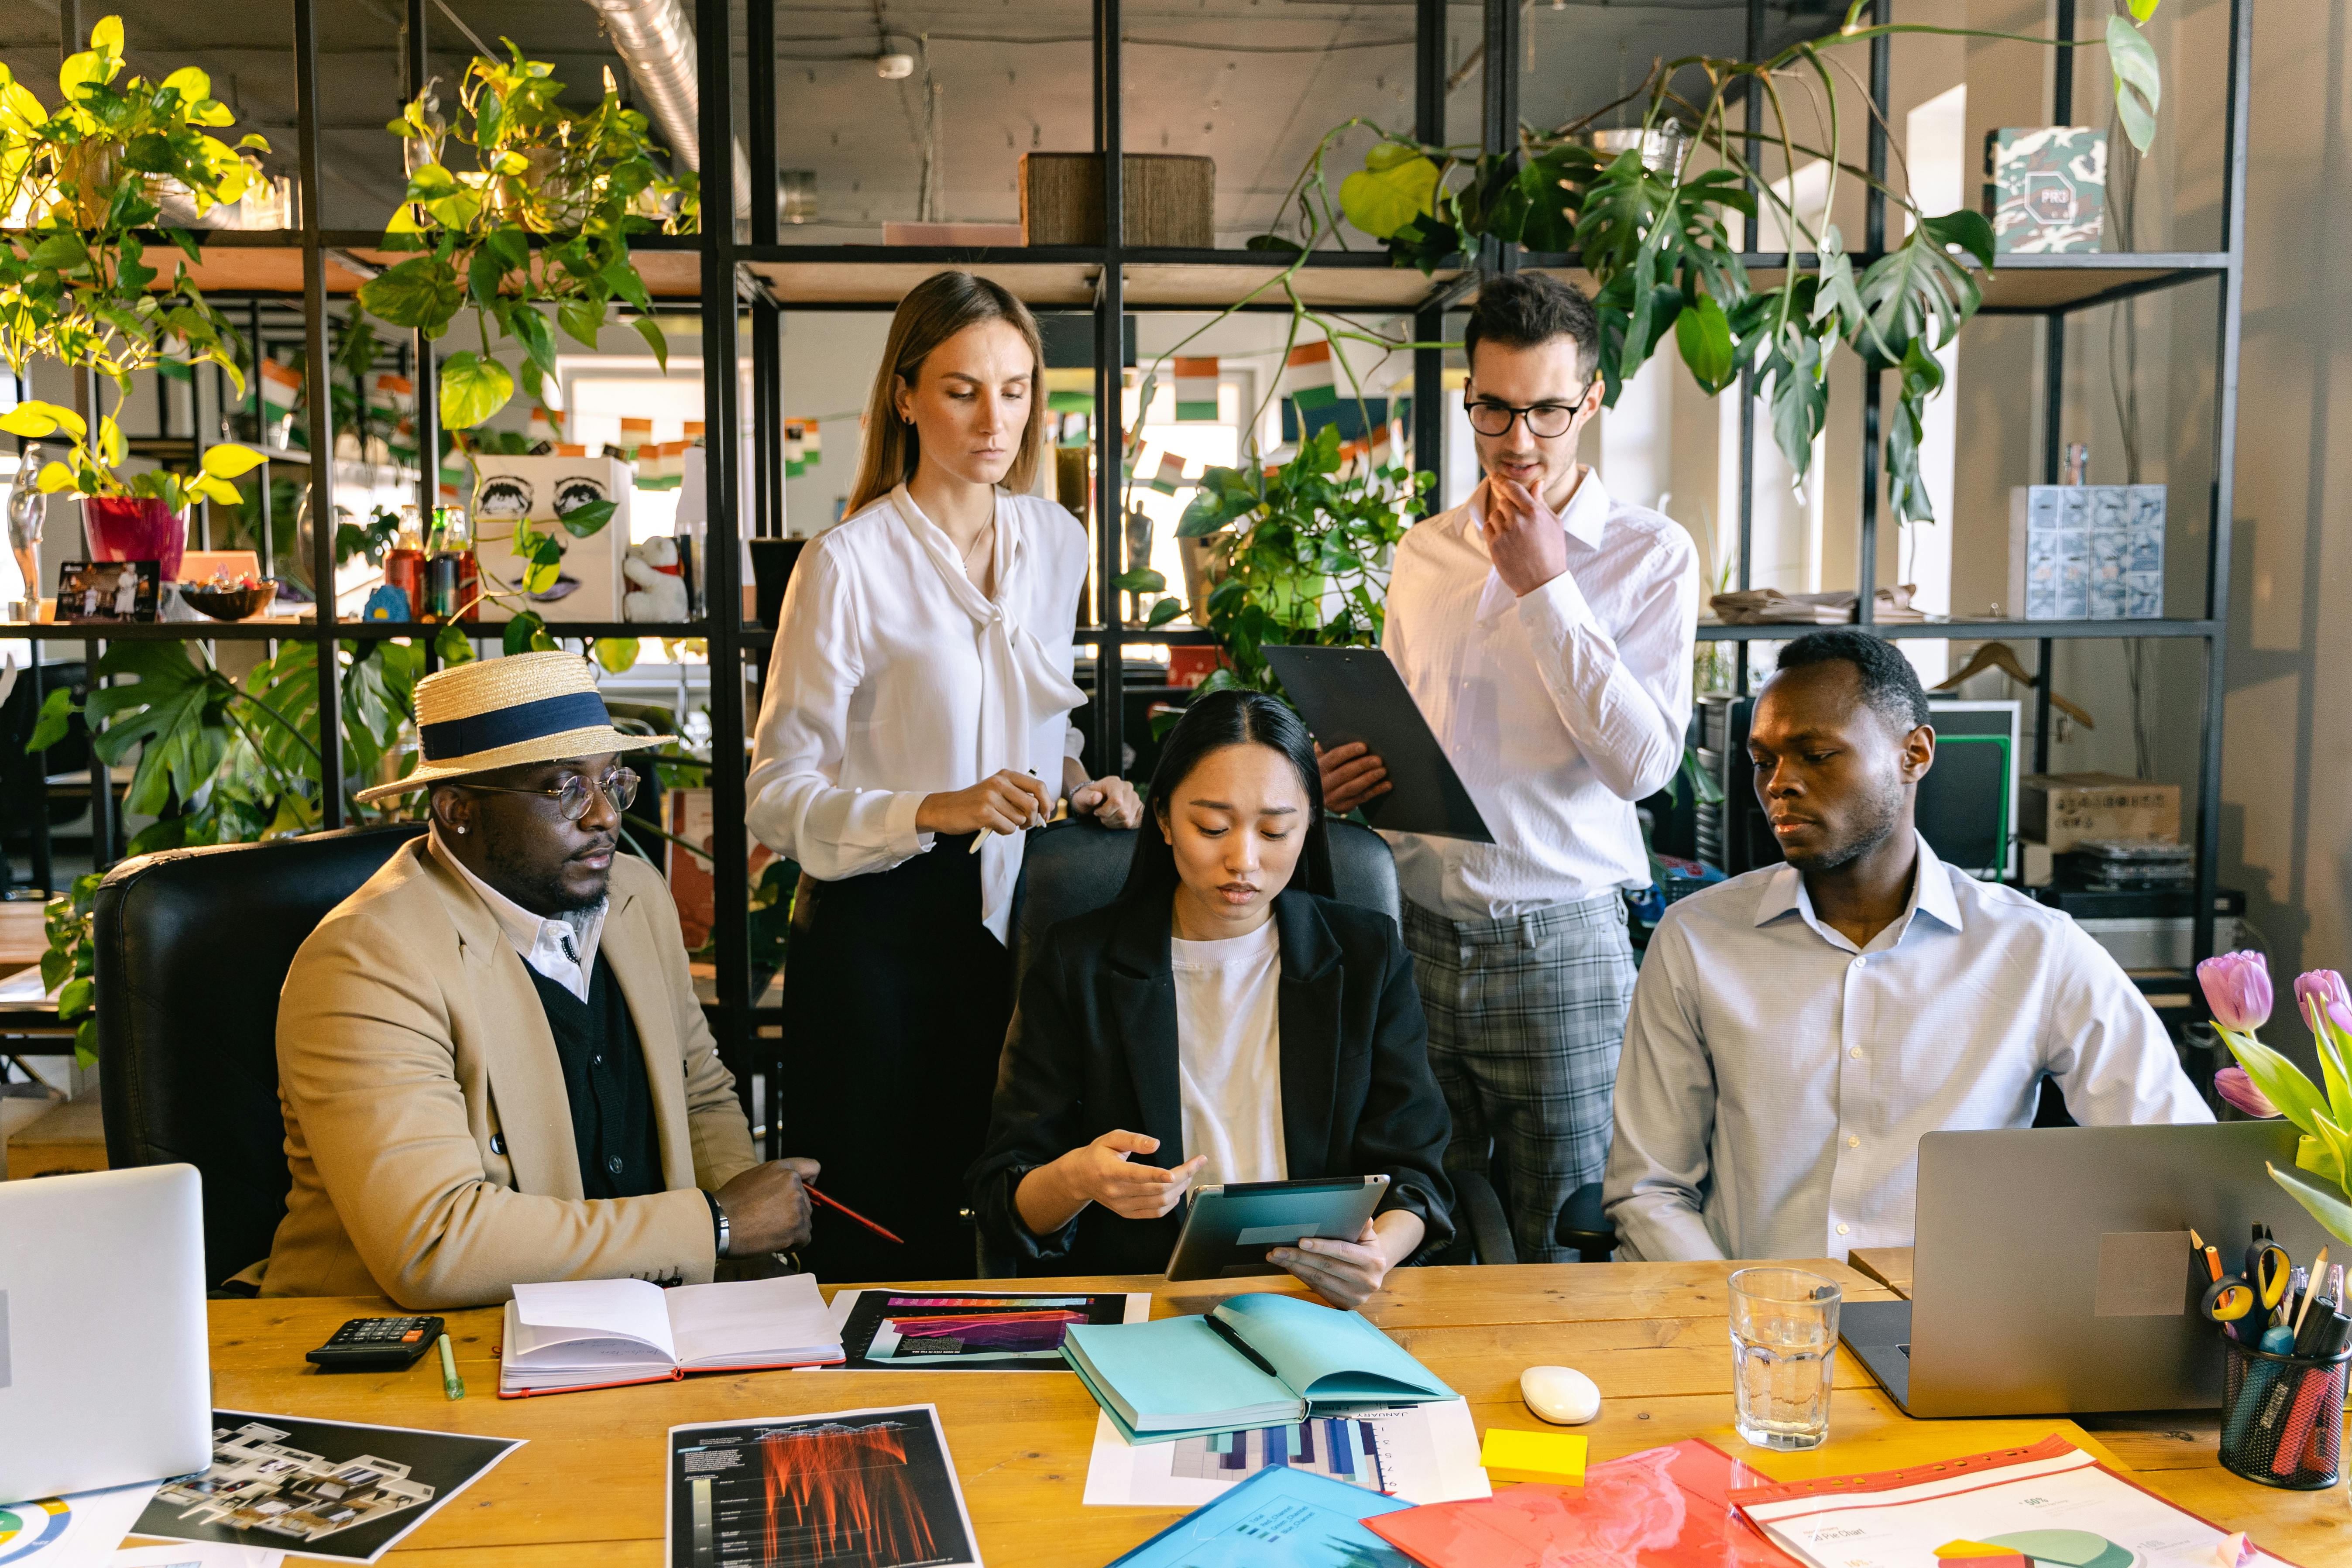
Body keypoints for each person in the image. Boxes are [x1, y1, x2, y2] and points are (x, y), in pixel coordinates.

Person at [748, 271, 1142, 1280]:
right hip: (878, 935)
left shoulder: (1058, 540)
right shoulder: (846, 563)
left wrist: (1084, 781)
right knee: (882, 1232)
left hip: (1018, 928)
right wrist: (934, 806)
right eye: (963, 388)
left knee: (1001, 1212)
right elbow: (776, 792)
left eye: (1014, 389)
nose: (993, 417)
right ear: (906, 395)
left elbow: (1038, 720)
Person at [1603, 630, 2213, 1263]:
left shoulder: (2035, 949)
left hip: (1950, 1339)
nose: (1779, 784)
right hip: (1751, 1331)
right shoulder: (1696, 939)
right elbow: (1649, 1188)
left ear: (1913, 754)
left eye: (1815, 754)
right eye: (1763, 761)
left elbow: (2174, 1157)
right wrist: (1732, 1318)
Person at [1317, 272, 1700, 1260]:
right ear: (1469, 398)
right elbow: (1409, 730)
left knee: (1567, 1234)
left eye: (1546, 411)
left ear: (1593, 400)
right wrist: (1344, 774)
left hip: (1561, 943)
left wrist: (1546, 588)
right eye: (1493, 409)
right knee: (1411, 1217)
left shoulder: (1649, 555)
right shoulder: (1424, 552)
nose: (1518, 439)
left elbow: (1644, 768)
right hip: (1413, 932)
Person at [258, 652, 821, 1308]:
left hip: (631, 1324)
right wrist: (715, 1226)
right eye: (563, 787)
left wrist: (749, 1248)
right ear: (457, 809)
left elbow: (696, 1093)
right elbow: (435, 1244)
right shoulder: (365, 962)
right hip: (405, 1356)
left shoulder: (635, 896)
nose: (605, 816)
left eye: (611, 781)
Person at [968, 690, 1455, 1307]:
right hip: (1143, 1309)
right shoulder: (1080, 962)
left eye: (1276, 829)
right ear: (1165, 819)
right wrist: (1078, 1178)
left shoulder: (1365, 956)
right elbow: (1003, 1200)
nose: (1243, 860)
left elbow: (1417, 1174)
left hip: (1316, 1303)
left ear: (1309, 825)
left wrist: (1376, 1253)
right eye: (1212, 827)